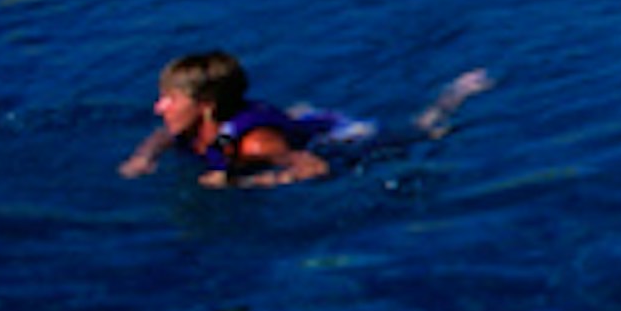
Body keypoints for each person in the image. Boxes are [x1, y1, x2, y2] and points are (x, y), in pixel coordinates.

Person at [121, 49, 495, 187]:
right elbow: (162, 135)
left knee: (424, 131)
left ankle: (457, 92)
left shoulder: (256, 143)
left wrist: (241, 183)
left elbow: (314, 169)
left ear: (204, 106)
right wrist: (144, 157)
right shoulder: (190, 127)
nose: (159, 108)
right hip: (291, 123)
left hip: (338, 138)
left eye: (169, 100)